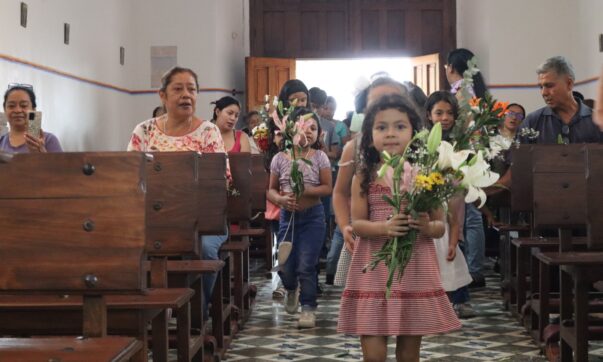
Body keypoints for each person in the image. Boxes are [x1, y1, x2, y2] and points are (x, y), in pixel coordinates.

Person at [338, 94, 460, 361]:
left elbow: (441, 225)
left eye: (400, 126)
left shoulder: (426, 172)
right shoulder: (364, 174)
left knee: (409, 352)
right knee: (374, 353)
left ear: (415, 133)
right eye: (381, 127)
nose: (391, 133)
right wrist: (385, 227)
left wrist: (428, 227)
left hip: (414, 265)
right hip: (373, 265)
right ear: (369, 136)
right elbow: (357, 223)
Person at [126, 66, 230, 318]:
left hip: (202, 221)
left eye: (192, 89)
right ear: (162, 95)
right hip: (153, 219)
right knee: (123, 247)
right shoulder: (145, 130)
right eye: (178, 89)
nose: (186, 95)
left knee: (204, 249)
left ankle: (196, 316)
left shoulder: (208, 131)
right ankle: (143, 316)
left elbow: (221, 180)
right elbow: (129, 176)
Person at [332, 77, 409, 288]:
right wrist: (344, 225)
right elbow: (340, 193)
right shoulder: (354, 147)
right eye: (377, 101)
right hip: (367, 234)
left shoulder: (414, 146)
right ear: (365, 108)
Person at [267, 107, 332, 328]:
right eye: (304, 127)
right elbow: (271, 190)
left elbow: (326, 188)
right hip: (288, 217)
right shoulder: (280, 158)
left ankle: (308, 308)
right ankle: (291, 288)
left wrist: (305, 190)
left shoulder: (320, 157)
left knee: (307, 264)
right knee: (286, 264)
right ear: (289, 129)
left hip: (313, 218)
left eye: (314, 128)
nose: (309, 132)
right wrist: (281, 200)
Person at [496, 57, 603, 191]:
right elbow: (517, 169)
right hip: (544, 204)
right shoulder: (532, 122)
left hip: (590, 205)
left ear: (569, 83)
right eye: (541, 87)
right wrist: (483, 191)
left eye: (549, 86)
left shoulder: (596, 122)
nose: (544, 93)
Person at [425, 90, 474, 318]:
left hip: (454, 193)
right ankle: (436, 298)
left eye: (450, 113)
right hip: (431, 195)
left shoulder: (459, 142)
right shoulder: (423, 142)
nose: (445, 118)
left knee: (454, 241)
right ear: (429, 115)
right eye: (439, 113)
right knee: (434, 250)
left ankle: (460, 297)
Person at [445, 48, 487, 289]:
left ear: (452, 67)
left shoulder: (461, 90)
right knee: (471, 213)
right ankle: (474, 268)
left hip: (463, 155)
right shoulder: (476, 89)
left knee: (468, 215)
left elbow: (463, 127)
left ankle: (473, 270)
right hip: (475, 154)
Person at [1, 84, 62, 153]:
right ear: (5, 110)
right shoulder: (1, 142)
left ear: (33, 110)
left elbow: (61, 164)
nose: (17, 110)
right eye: (11, 106)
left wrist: (42, 153)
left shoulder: (49, 140)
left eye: (23, 105)